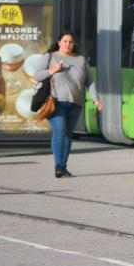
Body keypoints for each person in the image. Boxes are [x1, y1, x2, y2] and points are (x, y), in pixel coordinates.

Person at [34, 31, 102, 178]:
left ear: (74, 44)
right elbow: (37, 75)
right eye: (64, 41)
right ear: (59, 42)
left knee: (67, 135)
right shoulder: (50, 56)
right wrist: (52, 70)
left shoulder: (80, 60)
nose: (67, 44)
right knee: (60, 130)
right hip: (56, 101)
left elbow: (89, 81)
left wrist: (95, 99)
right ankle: (58, 166)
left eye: (70, 42)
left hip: (75, 103)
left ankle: (63, 166)